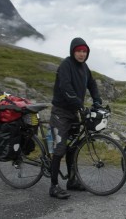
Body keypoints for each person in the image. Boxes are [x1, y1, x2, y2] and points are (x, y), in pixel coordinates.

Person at [48, 37, 103, 199]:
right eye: (79, 51)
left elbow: (92, 84)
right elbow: (65, 87)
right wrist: (80, 104)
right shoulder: (66, 65)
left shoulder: (84, 67)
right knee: (58, 149)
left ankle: (72, 181)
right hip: (60, 112)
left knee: (73, 148)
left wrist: (97, 101)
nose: (81, 54)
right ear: (73, 51)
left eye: (84, 51)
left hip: (73, 113)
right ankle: (53, 186)